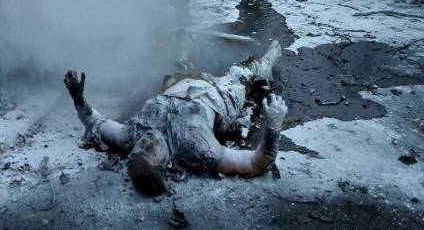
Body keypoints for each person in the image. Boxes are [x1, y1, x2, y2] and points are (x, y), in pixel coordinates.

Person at [63, 41, 287, 195]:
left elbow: (96, 122)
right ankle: (273, 55)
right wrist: (274, 126)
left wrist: (78, 98)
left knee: (177, 61)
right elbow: (254, 162)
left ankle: (185, 51)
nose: (145, 140)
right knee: (247, 70)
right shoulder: (196, 148)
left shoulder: (131, 135)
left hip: (176, 85)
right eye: (149, 148)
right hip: (219, 95)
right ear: (166, 162)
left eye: (139, 148)